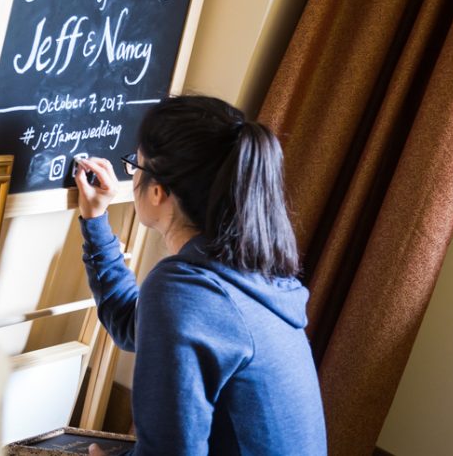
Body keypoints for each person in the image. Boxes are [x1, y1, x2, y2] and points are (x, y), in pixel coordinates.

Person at [73, 95, 327, 455]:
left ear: (158, 191)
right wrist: (96, 221)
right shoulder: (252, 271)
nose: (132, 175)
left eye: (136, 165)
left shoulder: (184, 289)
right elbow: (134, 326)